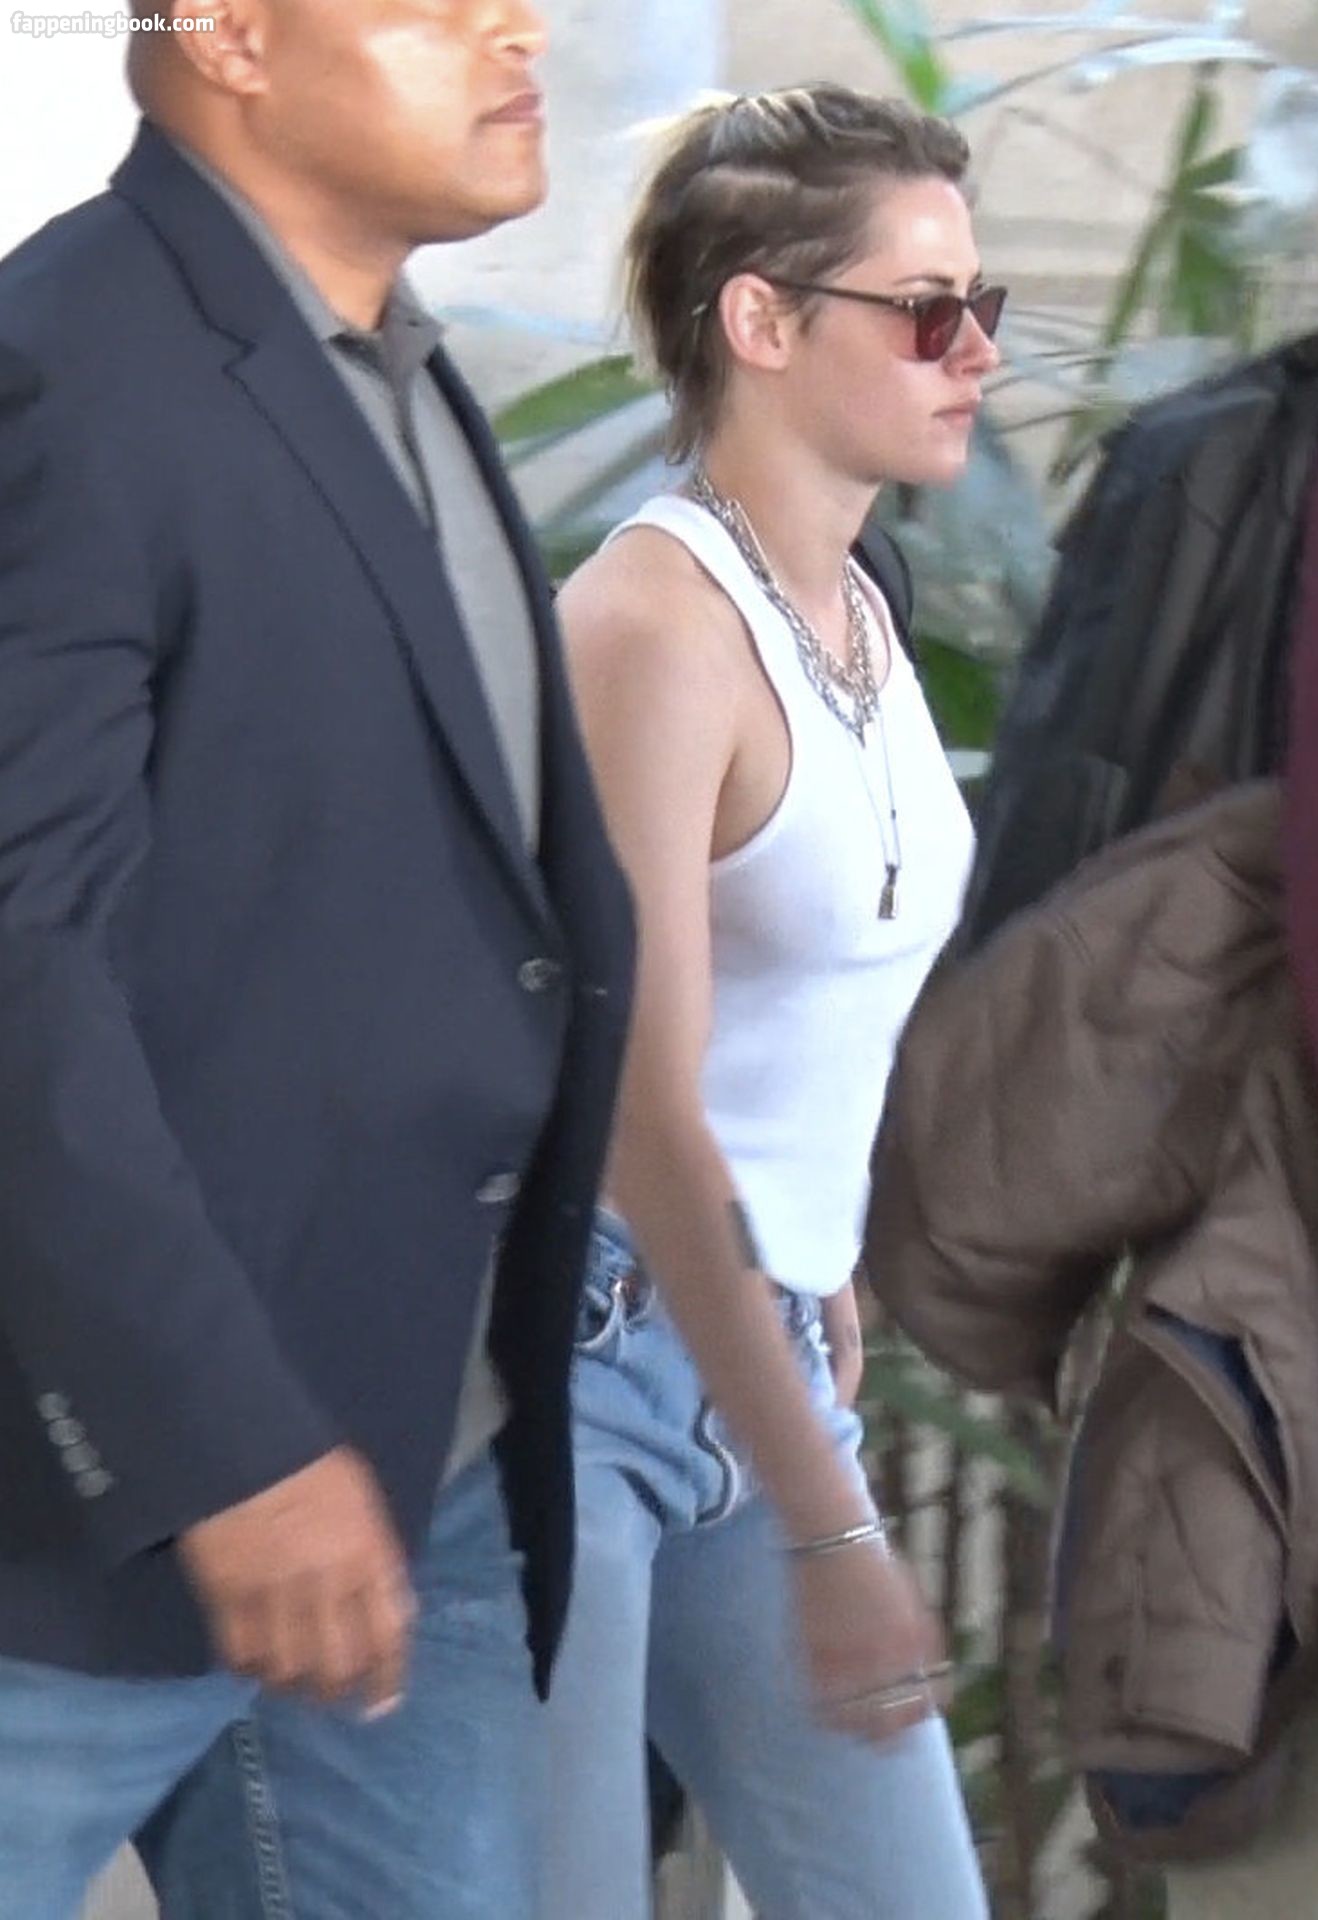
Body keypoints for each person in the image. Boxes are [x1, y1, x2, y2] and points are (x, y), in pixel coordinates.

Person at [0, 2, 633, 1916]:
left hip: (421, 1476)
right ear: (226, 33)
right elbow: (19, 957)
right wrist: (218, 1442)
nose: (519, 26)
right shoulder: (64, 372)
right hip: (99, 1514)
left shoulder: (398, 367)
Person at [538, 86, 996, 1920]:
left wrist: (827, 1265)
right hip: (582, 1361)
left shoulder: (861, 606)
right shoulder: (651, 628)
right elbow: (639, 1103)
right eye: (928, 309)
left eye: (983, 306)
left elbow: (806, 1006)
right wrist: (829, 1515)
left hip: (764, 1340)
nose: (976, 352)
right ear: (763, 321)